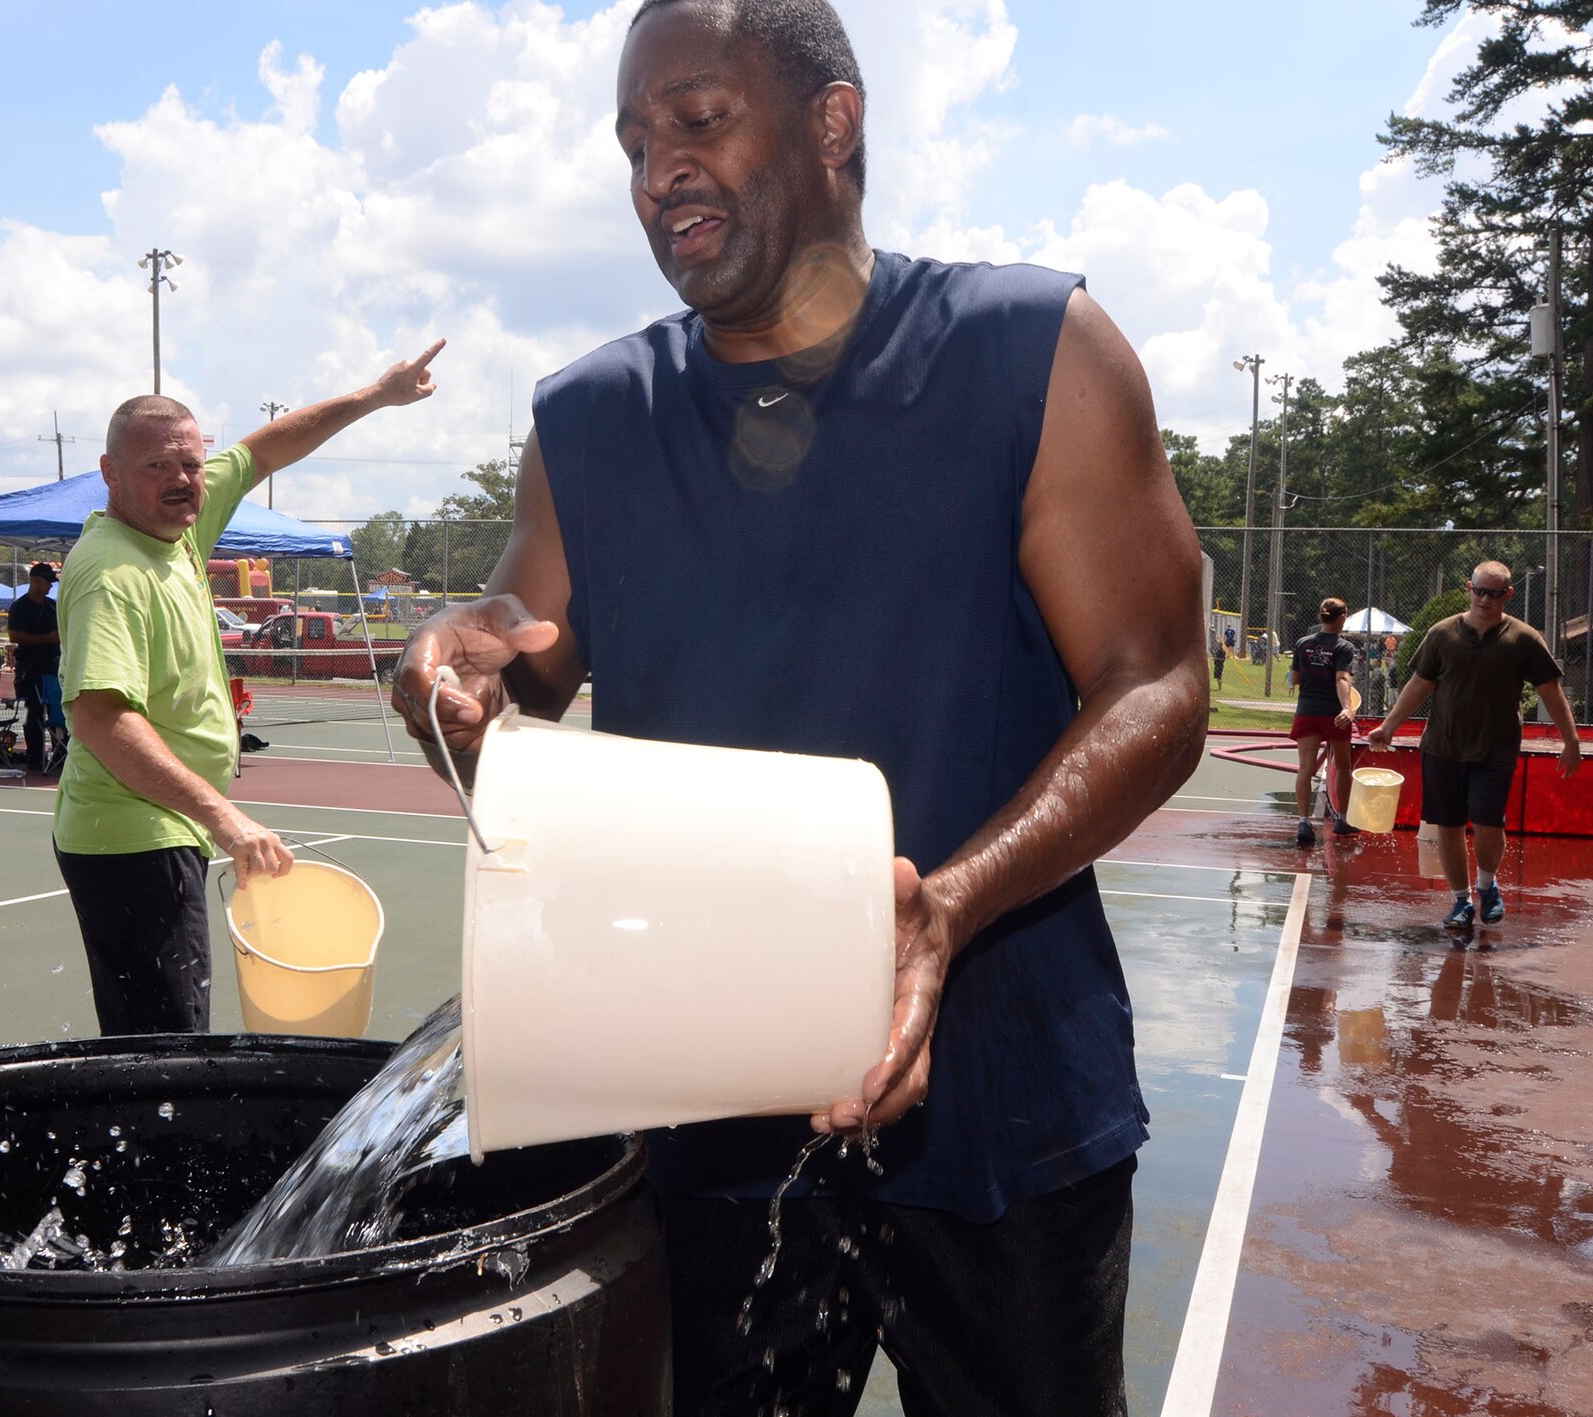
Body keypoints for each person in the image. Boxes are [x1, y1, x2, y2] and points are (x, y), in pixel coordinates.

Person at [391, 1, 1206, 1409]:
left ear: (835, 124)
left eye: (699, 122)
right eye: (635, 144)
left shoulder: (1035, 351)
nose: (658, 173)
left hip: (1002, 1096)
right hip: (705, 1108)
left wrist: (947, 904)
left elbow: (1159, 683)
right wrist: (454, 670)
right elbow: (519, 671)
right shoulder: (588, 418)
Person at [53, 342, 442, 1035]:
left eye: (191, 464)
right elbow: (100, 716)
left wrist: (375, 396)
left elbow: (264, 450)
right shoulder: (110, 570)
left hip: (163, 830)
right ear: (110, 474)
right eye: (157, 466)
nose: (182, 479)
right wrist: (224, 817)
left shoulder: (179, 529)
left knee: (162, 1037)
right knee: (163, 1049)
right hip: (134, 837)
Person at [1368, 560, 1581, 930]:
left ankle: (1488, 885)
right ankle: (1461, 901)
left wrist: (1571, 739)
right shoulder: (1442, 633)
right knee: (1448, 826)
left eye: (1495, 593)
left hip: (1495, 748)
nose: (1485, 599)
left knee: (1487, 822)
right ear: (1470, 588)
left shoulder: (1524, 639)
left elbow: (1550, 688)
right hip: (1443, 745)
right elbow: (1420, 684)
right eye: (1480, 590)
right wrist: (1388, 726)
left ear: (1507, 595)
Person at [1288, 597, 1358, 846]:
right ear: (1342, 617)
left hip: (1307, 710)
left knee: (1305, 768)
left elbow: (1294, 678)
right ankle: (1341, 818)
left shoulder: (1302, 644)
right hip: (1333, 713)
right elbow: (1342, 679)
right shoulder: (1344, 647)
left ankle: (1304, 822)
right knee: (1343, 766)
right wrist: (1348, 708)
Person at [6, 562, 61, 773]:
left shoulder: (51, 606)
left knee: (58, 711)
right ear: (35, 581)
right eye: (47, 583)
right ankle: (35, 755)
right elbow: (15, 635)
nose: (50, 588)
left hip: (54, 667)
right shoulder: (20, 607)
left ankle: (60, 752)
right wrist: (46, 638)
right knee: (35, 713)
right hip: (31, 669)